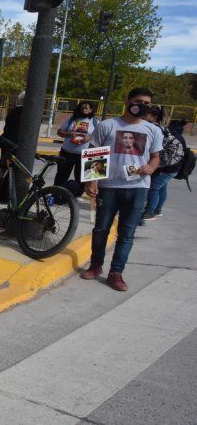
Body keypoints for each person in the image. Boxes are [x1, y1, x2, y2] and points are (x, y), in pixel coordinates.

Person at [81, 87, 163, 292]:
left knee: (127, 233)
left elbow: (155, 156)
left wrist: (151, 167)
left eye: (146, 103)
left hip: (138, 187)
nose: (142, 105)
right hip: (109, 187)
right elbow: (94, 153)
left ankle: (116, 273)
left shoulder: (153, 130)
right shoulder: (107, 125)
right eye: (138, 101)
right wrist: (90, 182)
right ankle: (96, 265)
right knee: (101, 229)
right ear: (127, 101)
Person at [141, 105, 186, 222]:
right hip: (172, 165)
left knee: (153, 187)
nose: (142, 116)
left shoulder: (154, 129)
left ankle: (150, 212)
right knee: (161, 187)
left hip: (168, 166)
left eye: (145, 114)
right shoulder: (162, 128)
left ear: (153, 117)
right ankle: (157, 209)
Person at [54, 101, 97, 188]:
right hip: (66, 153)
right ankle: (57, 195)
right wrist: (70, 134)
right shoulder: (72, 120)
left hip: (84, 155)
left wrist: (90, 138)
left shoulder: (95, 122)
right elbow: (59, 132)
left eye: (86, 108)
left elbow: (100, 136)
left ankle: (75, 196)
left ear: (90, 110)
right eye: (82, 108)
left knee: (81, 178)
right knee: (61, 176)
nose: (84, 110)